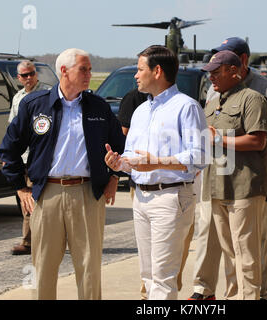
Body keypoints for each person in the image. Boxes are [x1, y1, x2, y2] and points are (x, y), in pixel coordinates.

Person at [0, 48, 125, 299]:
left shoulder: (99, 107)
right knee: (44, 266)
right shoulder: (34, 105)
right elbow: (9, 148)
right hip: (47, 195)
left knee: (89, 267)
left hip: (88, 195)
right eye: (84, 69)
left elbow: (119, 147)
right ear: (64, 71)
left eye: (90, 69)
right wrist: (20, 187)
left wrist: (113, 177)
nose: (89, 74)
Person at [190, 37, 267, 301]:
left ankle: (257, 293)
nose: (213, 74)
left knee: (254, 244)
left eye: (220, 63)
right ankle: (219, 291)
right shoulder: (215, 93)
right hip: (217, 178)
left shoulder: (263, 90)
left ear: (239, 62)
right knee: (221, 242)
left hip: (251, 178)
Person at [105, 45, 208, 300]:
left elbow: (200, 156)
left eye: (140, 69)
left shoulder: (187, 107)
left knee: (163, 276)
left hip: (170, 198)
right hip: (141, 198)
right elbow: (135, 159)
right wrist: (118, 164)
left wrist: (158, 163)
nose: (136, 75)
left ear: (157, 71)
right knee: (148, 275)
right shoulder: (141, 111)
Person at [200, 50, 267, 300]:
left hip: (243, 188)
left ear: (234, 70)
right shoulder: (212, 103)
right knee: (230, 255)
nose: (211, 78)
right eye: (209, 73)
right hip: (217, 186)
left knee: (247, 256)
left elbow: (257, 140)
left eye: (216, 72)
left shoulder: (252, 99)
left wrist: (218, 138)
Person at [8, 60, 51, 256]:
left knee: (43, 200)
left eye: (31, 74)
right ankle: (28, 242)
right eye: (24, 75)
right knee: (27, 199)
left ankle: (42, 240)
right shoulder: (17, 98)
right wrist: (9, 153)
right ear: (18, 78)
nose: (28, 78)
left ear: (36, 74)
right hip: (24, 157)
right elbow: (13, 129)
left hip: (41, 156)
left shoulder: (48, 94)